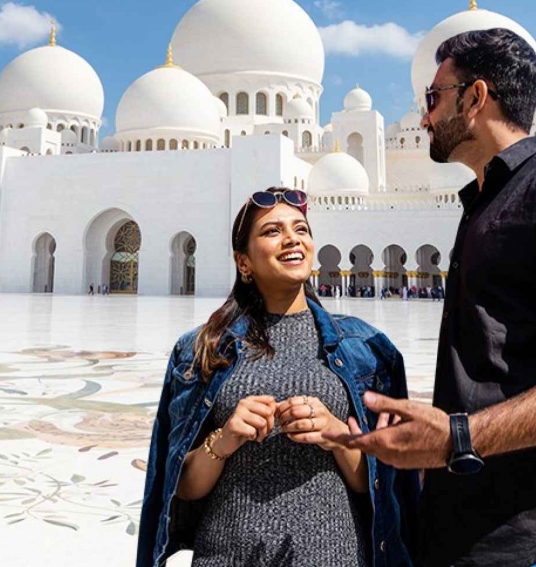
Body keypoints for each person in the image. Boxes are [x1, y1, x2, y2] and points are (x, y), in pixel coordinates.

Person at [326, 28, 536, 567]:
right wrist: (426, 443)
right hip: (463, 531)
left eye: (433, 99)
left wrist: (459, 436)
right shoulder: (484, 204)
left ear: (476, 96)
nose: (423, 119)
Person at [137, 187, 416, 567]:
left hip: (334, 557)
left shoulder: (366, 348)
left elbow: (382, 484)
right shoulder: (202, 348)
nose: (292, 239)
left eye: (301, 229)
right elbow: (182, 485)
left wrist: (336, 434)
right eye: (272, 231)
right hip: (226, 556)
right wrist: (226, 437)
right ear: (244, 262)